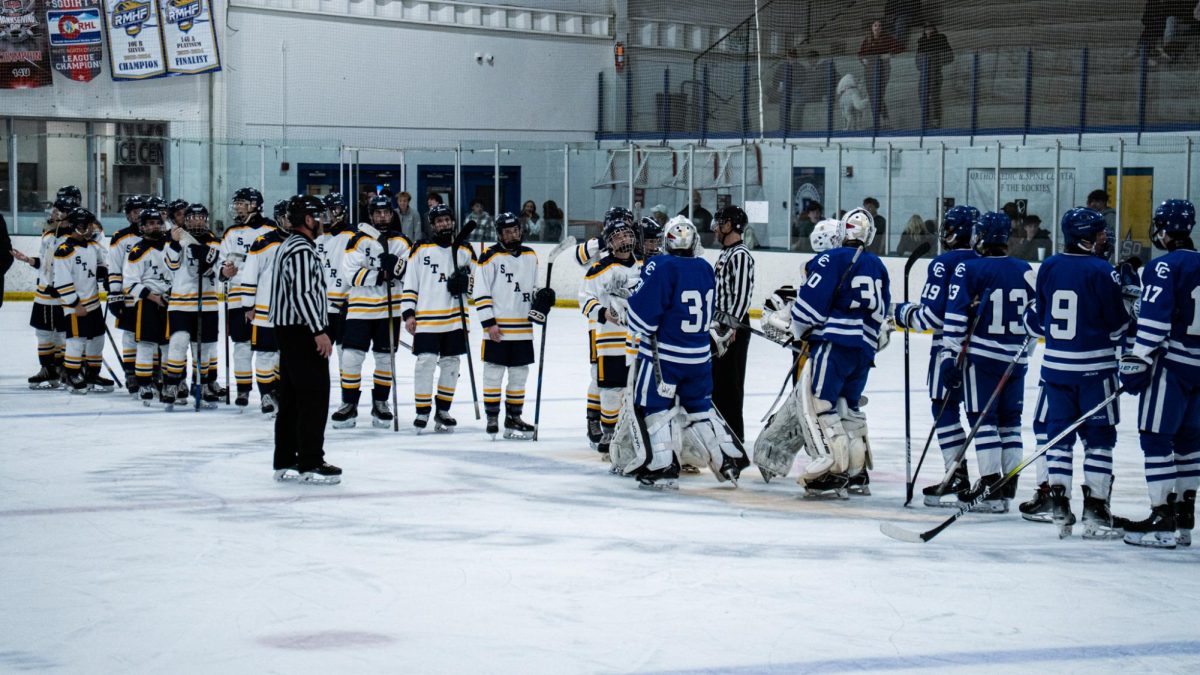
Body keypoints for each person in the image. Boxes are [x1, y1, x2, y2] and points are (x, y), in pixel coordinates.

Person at [1023, 207, 1129, 539]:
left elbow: (1040, 319)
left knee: (1058, 438)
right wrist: (1132, 307)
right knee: (1099, 440)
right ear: (1084, 237)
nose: (1103, 237)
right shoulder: (1103, 270)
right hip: (1095, 371)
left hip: (1055, 370)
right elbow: (1117, 324)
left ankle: (1059, 505)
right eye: (1098, 232)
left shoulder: (1050, 265)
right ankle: (1096, 511)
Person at [622, 217, 747, 490]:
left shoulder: (661, 265)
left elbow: (643, 320)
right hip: (699, 357)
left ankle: (663, 465)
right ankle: (726, 459)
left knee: (655, 408)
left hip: (664, 358)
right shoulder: (704, 267)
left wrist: (629, 304)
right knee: (700, 409)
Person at [790, 208, 891, 497]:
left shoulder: (830, 258)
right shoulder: (877, 264)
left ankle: (832, 473)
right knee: (851, 409)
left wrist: (800, 330)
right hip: (864, 350)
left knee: (823, 406)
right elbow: (884, 311)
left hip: (834, 345)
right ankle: (858, 475)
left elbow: (808, 306)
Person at [1117, 199, 1200, 548]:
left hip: (1172, 369)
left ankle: (1161, 519)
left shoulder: (1163, 268)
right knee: (1190, 443)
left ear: (1163, 230)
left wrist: (1137, 358)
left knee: (1155, 439)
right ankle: (1183, 519)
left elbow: (1153, 323)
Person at [941, 211, 1034, 513]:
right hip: (1015, 361)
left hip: (981, 359)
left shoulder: (970, 269)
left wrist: (949, 357)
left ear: (980, 236)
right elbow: (1037, 320)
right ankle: (1007, 485)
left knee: (983, 421)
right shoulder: (1026, 270)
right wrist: (1024, 352)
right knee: (1010, 423)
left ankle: (990, 485)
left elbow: (955, 318)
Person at [894, 205, 980, 505]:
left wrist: (902, 313)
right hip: (983, 353)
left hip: (949, 350)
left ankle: (956, 473)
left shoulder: (943, 264)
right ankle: (991, 482)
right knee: (981, 415)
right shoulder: (984, 261)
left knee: (942, 409)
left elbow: (930, 318)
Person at [269, 194, 340, 485]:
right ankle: (311, 461)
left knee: (293, 399)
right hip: (301, 332)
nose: (322, 221)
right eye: (318, 216)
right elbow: (303, 294)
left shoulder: (291, 245)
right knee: (313, 397)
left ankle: (286, 459)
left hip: (290, 332)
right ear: (308, 219)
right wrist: (318, 331)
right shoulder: (300, 250)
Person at [333, 195, 412, 429]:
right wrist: (383, 274)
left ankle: (381, 402)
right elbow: (350, 274)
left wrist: (397, 267)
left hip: (389, 311)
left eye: (386, 213)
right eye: (377, 214)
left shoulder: (402, 242)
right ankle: (348, 403)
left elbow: (410, 274)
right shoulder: (357, 240)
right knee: (350, 358)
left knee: (385, 359)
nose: (382, 217)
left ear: (392, 214)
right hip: (359, 309)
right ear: (370, 216)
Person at [474, 212, 555, 438]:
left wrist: (543, 297)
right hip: (497, 328)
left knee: (519, 375)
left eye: (515, 230)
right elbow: (481, 294)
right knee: (493, 373)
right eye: (507, 232)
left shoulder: (530, 255)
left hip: (522, 329)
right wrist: (489, 324)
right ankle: (492, 418)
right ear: (499, 234)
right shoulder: (488, 257)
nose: (513, 234)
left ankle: (513, 418)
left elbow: (532, 287)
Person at [402, 203, 475, 431]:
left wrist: (467, 283)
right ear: (432, 225)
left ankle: (443, 410)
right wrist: (408, 313)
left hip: (455, 318)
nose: (444, 224)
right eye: (439, 221)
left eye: (447, 220)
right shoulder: (420, 248)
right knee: (425, 364)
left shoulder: (465, 250)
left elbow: (478, 284)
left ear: (453, 222)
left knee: (451, 364)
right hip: (426, 318)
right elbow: (410, 282)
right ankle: (422, 411)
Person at [578, 207, 642, 458]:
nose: (624, 240)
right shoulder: (598, 269)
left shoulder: (643, 266)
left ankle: (632, 434)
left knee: (635, 389)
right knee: (611, 389)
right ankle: (609, 432)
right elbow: (584, 299)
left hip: (637, 340)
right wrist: (603, 312)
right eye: (617, 237)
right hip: (609, 340)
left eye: (627, 235)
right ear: (610, 242)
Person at [219, 188, 279, 409]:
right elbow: (221, 261)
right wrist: (224, 272)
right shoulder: (231, 233)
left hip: (266, 299)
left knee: (270, 348)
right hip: (237, 296)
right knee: (242, 345)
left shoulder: (272, 230)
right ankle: (243, 389)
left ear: (255, 205)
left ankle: (270, 390)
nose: (238, 207)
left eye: (242, 203)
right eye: (237, 203)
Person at [12, 190, 77, 389]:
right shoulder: (49, 235)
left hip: (63, 293)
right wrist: (29, 260)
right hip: (44, 292)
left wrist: (64, 287)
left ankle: (61, 369)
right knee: (43, 332)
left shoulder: (75, 239)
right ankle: (47, 369)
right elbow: (46, 264)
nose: (54, 214)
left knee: (62, 333)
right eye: (54, 210)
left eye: (58, 211)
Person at [161, 204, 223, 409]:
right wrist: (176, 243)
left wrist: (210, 261)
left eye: (200, 217)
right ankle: (172, 384)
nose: (197, 221)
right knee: (178, 343)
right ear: (185, 220)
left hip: (207, 304)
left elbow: (219, 270)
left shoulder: (215, 241)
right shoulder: (177, 239)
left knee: (203, 349)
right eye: (192, 218)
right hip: (180, 303)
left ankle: (202, 385)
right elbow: (170, 265)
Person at [238, 203, 292, 416]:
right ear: (278, 218)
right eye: (286, 217)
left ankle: (279, 391)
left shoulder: (303, 241)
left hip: (292, 312)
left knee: (284, 355)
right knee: (264, 354)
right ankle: (265, 394)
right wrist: (248, 304)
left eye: (292, 217)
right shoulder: (263, 242)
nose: (289, 221)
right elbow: (250, 274)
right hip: (264, 308)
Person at [52, 207, 112, 394]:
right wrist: (75, 304)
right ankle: (72, 374)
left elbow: (101, 266)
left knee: (97, 339)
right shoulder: (64, 251)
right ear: (76, 226)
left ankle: (92, 373)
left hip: (93, 303)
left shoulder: (93, 246)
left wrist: (105, 275)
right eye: (86, 226)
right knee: (76, 341)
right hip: (76, 305)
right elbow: (61, 282)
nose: (90, 229)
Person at [709, 205, 755, 445]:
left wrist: (731, 326)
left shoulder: (740, 254)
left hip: (732, 328)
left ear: (730, 225)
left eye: (720, 222)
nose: (716, 228)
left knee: (731, 383)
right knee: (718, 382)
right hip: (721, 325)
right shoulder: (727, 252)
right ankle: (720, 432)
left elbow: (742, 295)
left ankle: (734, 436)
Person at [123, 208, 174, 404]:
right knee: (146, 345)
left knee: (169, 345)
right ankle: (145, 383)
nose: (155, 226)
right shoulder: (138, 251)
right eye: (150, 223)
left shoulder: (172, 245)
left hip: (171, 302)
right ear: (142, 227)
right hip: (148, 305)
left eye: (157, 222)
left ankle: (170, 382)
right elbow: (130, 284)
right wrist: (155, 298)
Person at [108, 194, 146, 392]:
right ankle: (131, 373)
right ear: (128, 215)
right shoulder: (121, 237)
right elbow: (114, 268)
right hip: (130, 297)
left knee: (151, 335)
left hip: (151, 297)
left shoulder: (158, 235)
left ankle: (151, 372)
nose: (139, 215)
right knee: (130, 334)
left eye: (141, 211)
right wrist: (115, 295)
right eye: (134, 212)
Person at [317, 192, 353, 361]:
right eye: (326, 211)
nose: (330, 215)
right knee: (320, 354)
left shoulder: (354, 236)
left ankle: (349, 388)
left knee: (346, 355)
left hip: (345, 307)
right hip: (321, 309)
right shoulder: (316, 238)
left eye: (334, 210)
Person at [858, 20, 903, 126]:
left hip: (883, 70)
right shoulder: (867, 39)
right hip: (870, 71)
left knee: (878, 94)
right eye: (875, 25)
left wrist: (889, 54)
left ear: (882, 28)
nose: (877, 27)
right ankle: (879, 121)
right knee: (872, 95)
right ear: (871, 27)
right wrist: (863, 59)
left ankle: (883, 120)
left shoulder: (887, 38)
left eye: (879, 26)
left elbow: (900, 47)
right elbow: (860, 54)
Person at [915, 21, 953, 128]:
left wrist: (937, 61)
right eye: (926, 28)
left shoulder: (941, 38)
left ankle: (936, 119)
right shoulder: (921, 41)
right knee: (922, 95)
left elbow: (949, 56)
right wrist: (922, 65)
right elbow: (918, 59)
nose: (928, 30)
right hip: (924, 73)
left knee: (934, 95)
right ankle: (926, 120)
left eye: (930, 28)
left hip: (935, 72)